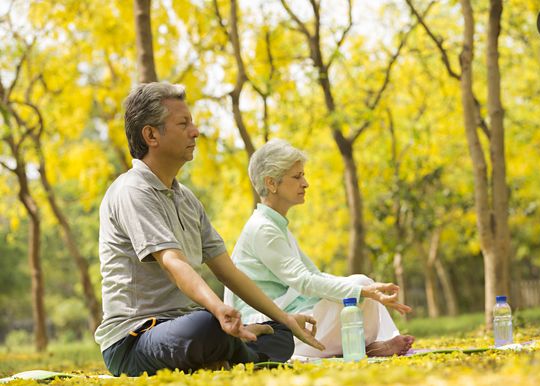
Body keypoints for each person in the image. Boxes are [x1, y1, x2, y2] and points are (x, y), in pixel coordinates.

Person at [95, 83, 324, 377]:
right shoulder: (132, 191)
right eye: (183, 123)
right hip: (133, 341)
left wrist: (285, 319)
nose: (195, 131)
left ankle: (227, 349)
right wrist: (218, 310)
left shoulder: (186, 199)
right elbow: (173, 262)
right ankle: (229, 348)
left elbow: (228, 271)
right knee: (205, 326)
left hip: (181, 332)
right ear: (151, 135)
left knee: (279, 332)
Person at [224, 139, 415, 358]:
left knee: (360, 283)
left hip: (290, 317)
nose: (305, 183)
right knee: (360, 288)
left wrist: (367, 288)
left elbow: (314, 274)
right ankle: (366, 345)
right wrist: (363, 290)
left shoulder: (276, 226)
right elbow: (304, 282)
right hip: (268, 329)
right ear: (271, 183)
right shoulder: (263, 229)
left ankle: (369, 344)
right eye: (297, 177)